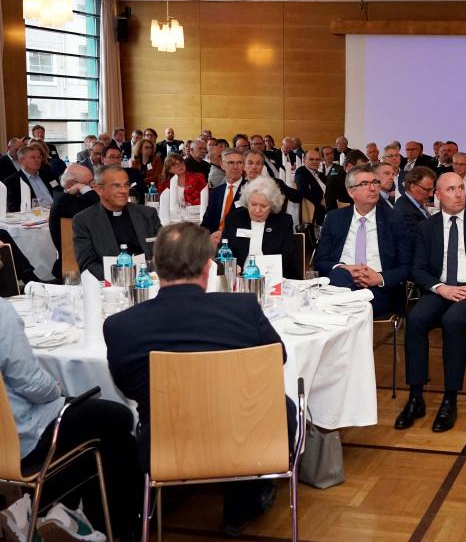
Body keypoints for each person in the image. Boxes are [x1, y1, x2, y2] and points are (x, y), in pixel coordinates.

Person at [103, 222, 296, 536]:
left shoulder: (120, 325)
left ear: (155, 265)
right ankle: (244, 501)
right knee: (278, 404)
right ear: (209, 267)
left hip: (166, 443)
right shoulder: (242, 308)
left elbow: (128, 386)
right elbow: (278, 359)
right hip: (248, 440)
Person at [1, 299, 140, 537]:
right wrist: (56, 388)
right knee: (121, 420)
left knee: (102, 436)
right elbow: (32, 383)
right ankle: (108, 529)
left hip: (10, 433)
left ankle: (55, 513)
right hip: (20, 436)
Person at [395, 172, 466, 433]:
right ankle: (415, 396)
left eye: (461, 188)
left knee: (452, 320)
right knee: (416, 319)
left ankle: (450, 398)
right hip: (441, 290)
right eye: (451, 189)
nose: (458, 194)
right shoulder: (427, 227)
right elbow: (418, 269)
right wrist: (440, 288)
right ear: (438, 195)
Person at [314, 167, 412, 316]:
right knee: (340, 276)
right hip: (341, 285)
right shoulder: (334, 218)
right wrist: (345, 268)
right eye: (365, 184)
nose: (373, 188)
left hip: (376, 289)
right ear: (351, 192)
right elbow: (320, 262)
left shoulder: (394, 219)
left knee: (340, 305)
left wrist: (380, 278)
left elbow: (407, 266)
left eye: (375, 182)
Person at [72, 165, 161, 281]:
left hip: (149, 281)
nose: (124, 191)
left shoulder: (147, 214)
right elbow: (88, 265)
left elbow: (164, 251)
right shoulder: (84, 221)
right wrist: (124, 276)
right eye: (116, 186)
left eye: (126, 185)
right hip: (110, 286)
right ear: (99, 189)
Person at [218, 176, 296, 275]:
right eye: (253, 204)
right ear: (247, 202)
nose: (257, 210)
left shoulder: (283, 222)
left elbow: (288, 257)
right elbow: (223, 250)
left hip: (273, 277)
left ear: (272, 205)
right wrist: (231, 266)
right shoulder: (234, 219)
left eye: (263, 206)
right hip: (240, 278)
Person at [48, 164, 99, 279]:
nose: (93, 186)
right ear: (71, 184)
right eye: (89, 183)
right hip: (75, 263)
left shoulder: (78, 197)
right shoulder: (64, 201)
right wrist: (86, 190)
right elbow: (100, 208)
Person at [202, 148, 247, 235]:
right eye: (231, 163)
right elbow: (207, 222)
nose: (235, 167)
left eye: (239, 163)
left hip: (238, 240)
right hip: (215, 239)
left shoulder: (251, 189)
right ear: (222, 165)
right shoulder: (216, 192)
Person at [4, 144, 59, 212]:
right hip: (34, 216)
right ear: (21, 160)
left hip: (56, 212)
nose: (38, 160)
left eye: (39, 157)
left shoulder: (49, 175)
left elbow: (59, 191)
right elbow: (14, 208)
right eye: (33, 157)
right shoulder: (12, 182)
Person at [394, 166, 436, 233]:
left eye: (432, 190)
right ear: (413, 187)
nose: (431, 194)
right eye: (427, 190)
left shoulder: (414, 203)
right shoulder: (405, 211)